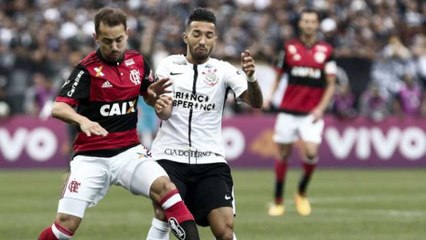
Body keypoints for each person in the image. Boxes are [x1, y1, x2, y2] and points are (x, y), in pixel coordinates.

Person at [37, 7, 200, 240]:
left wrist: (154, 97)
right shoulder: (86, 70)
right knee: (64, 228)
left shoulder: (138, 62)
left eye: (119, 40)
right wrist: (82, 120)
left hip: (129, 153)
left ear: (127, 33)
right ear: (96, 38)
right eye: (107, 41)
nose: (114, 47)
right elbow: (58, 107)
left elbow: (148, 95)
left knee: (167, 190)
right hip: (91, 158)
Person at [146, 7, 263, 240]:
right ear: (185, 36)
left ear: (215, 39)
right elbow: (164, 109)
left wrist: (251, 78)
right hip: (169, 157)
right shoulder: (169, 66)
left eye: (209, 35)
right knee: (162, 214)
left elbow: (255, 102)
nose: (202, 40)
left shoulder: (224, 70)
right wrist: (161, 107)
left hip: (211, 160)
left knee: (225, 230)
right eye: (197, 34)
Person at [266, 8, 337, 217]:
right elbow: (278, 76)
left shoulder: (327, 50)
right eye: (305, 21)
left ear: (317, 25)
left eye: (312, 22)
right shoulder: (288, 48)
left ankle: (301, 193)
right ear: (300, 24)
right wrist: (270, 95)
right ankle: (278, 201)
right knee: (284, 154)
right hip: (288, 110)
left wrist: (321, 108)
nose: (308, 25)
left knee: (312, 152)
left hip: (311, 114)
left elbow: (331, 84)